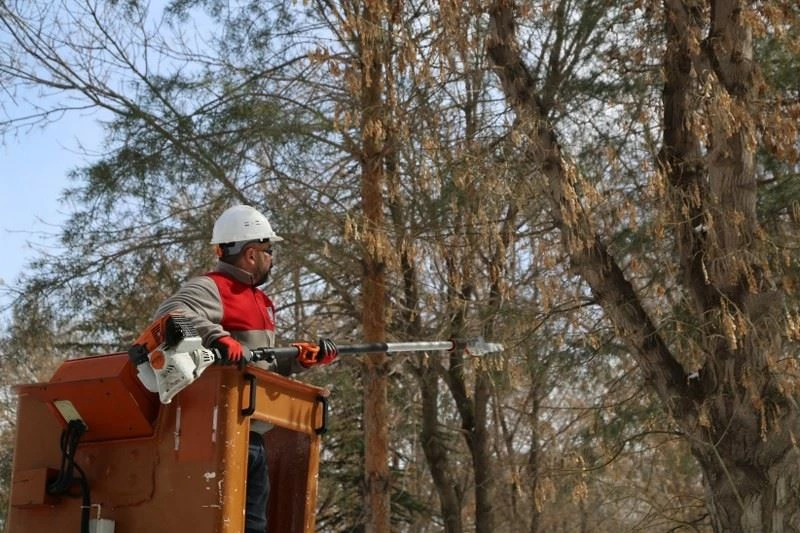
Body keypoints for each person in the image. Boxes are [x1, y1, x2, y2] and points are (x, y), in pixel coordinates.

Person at [153, 204, 337, 533]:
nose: (273, 258)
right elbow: (169, 314)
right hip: (215, 432)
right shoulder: (212, 287)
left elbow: (257, 360)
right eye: (269, 250)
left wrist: (298, 360)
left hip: (253, 436)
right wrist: (217, 337)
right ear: (250, 254)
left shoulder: (263, 303)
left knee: (252, 527)